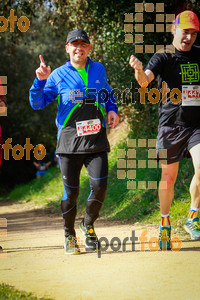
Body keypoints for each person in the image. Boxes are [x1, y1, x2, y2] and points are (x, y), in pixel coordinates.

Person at [29, 29, 119, 254]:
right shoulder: (57, 75)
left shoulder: (98, 69)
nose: (79, 47)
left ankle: (87, 225)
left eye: (83, 44)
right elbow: (37, 103)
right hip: (69, 141)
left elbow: (107, 93)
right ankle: (69, 235)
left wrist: (112, 109)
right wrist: (40, 81)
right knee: (72, 194)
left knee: (99, 187)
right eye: (74, 44)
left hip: (96, 139)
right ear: (67, 48)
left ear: (89, 48)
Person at [129, 10, 200, 250]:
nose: (188, 37)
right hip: (168, 127)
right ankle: (165, 221)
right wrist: (139, 69)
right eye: (184, 32)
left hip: (195, 125)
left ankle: (192, 216)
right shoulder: (163, 56)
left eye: (193, 33)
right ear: (173, 30)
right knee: (167, 180)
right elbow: (144, 81)